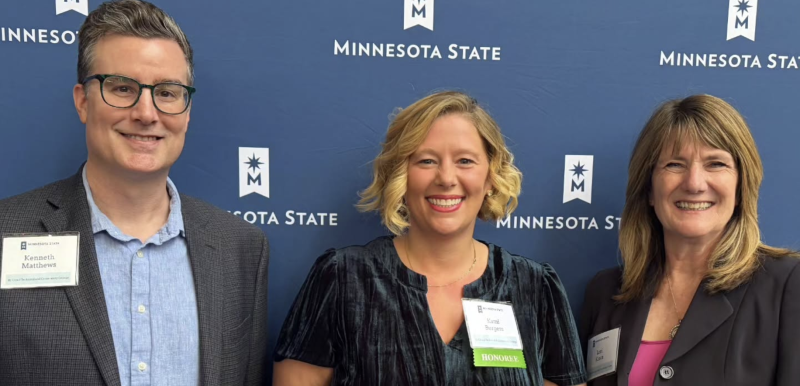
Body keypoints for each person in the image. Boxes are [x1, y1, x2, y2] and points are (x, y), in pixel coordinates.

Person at [0, 1, 269, 385]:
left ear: (187, 109)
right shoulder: (6, 234)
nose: (146, 112)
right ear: (82, 101)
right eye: (123, 88)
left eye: (167, 92)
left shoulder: (241, 249)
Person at [273, 91, 587, 386]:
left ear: (490, 176)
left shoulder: (534, 287)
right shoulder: (343, 278)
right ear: (400, 175)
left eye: (465, 160)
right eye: (426, 160)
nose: (446, 178)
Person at [579, 94, 800, 386]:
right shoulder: (606, 292)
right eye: (674, 165)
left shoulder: (788, 284)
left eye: (716, 164)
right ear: (648, 189)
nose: (694, 183)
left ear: (741, 186)